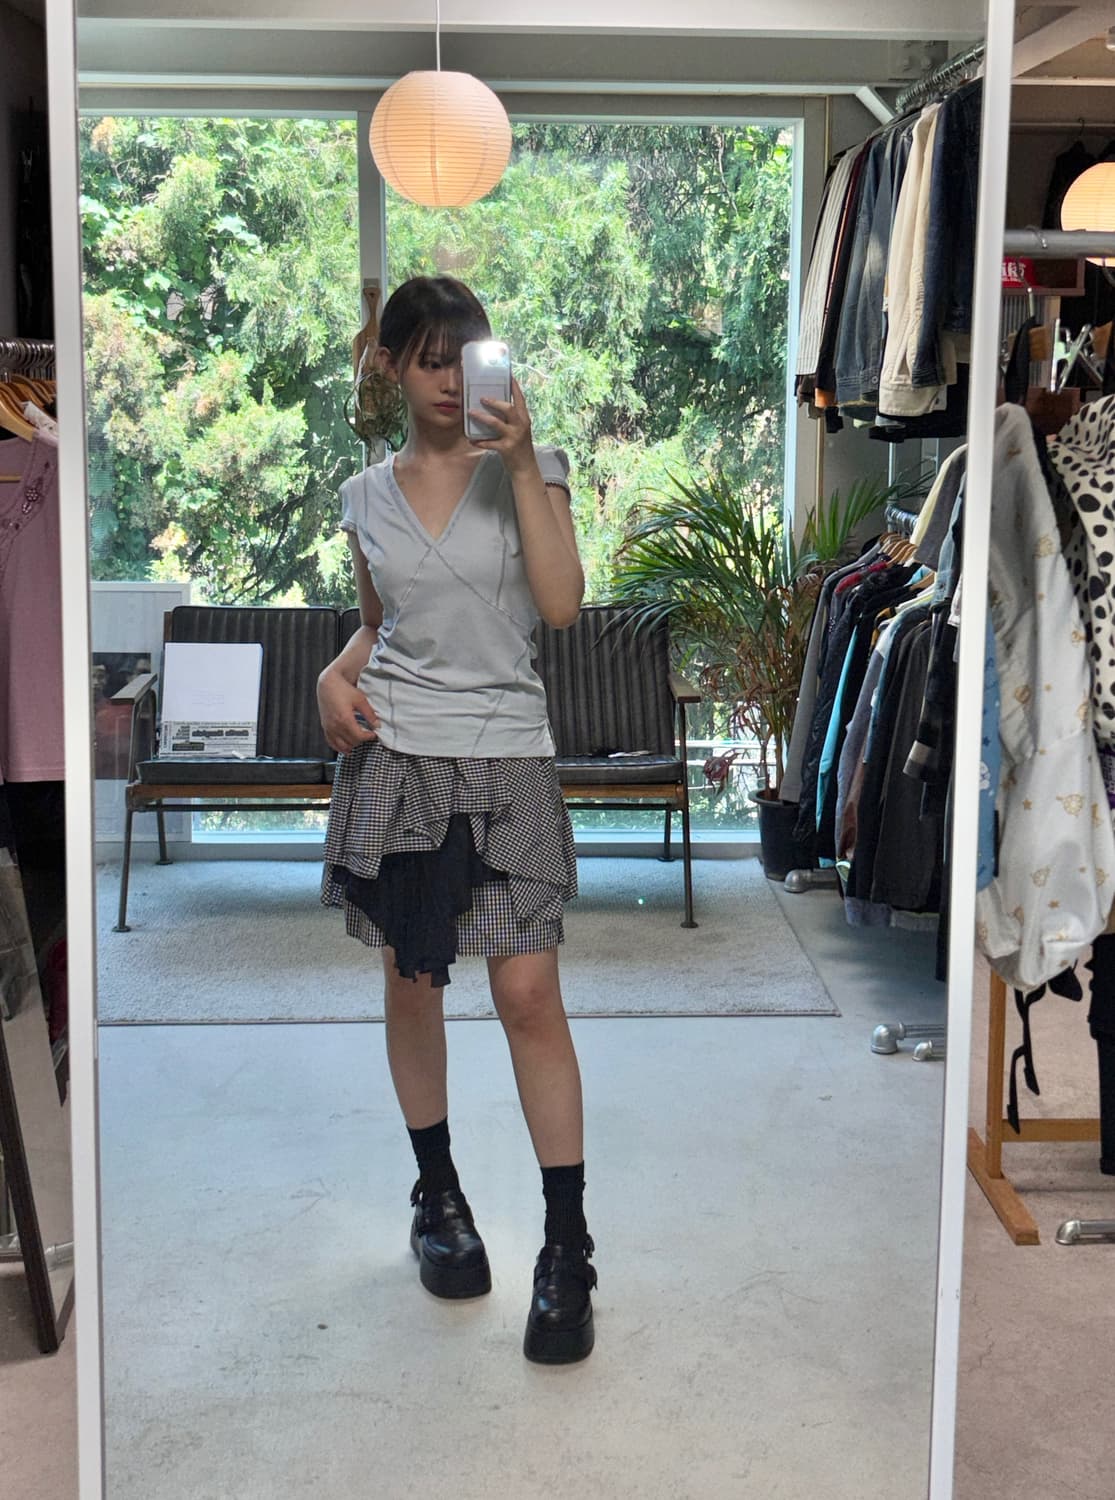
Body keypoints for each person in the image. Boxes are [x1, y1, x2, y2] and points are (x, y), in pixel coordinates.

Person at [316, 275, 595, 1365]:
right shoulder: (363, 496)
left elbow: (560, 605)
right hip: (400, 763)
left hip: (509, 756)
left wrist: (520, 462)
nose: (447, 381)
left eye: (462, 358)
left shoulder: (532, 468)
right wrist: (333, 679)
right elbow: (380, 626)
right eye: (427, 360)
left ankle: (565, 1247)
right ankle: (436, 1197)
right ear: (391, 366)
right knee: (413, 982)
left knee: (527, 995)